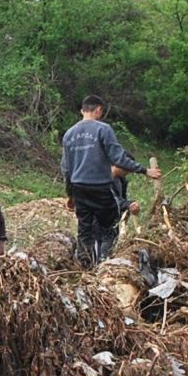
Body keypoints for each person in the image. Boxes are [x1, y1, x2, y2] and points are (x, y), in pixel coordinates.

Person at [61, 95, 161, 266]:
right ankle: (105, 263)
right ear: (99, 110)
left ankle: (85, 265)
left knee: (84, 230)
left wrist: (70, 195)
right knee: (109, 227)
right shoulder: (103, 129)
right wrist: (144, 170)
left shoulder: (69, 134)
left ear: (82, 110)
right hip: (100, 186)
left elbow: (66, 169)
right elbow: (119, 158)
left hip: (79, 188)